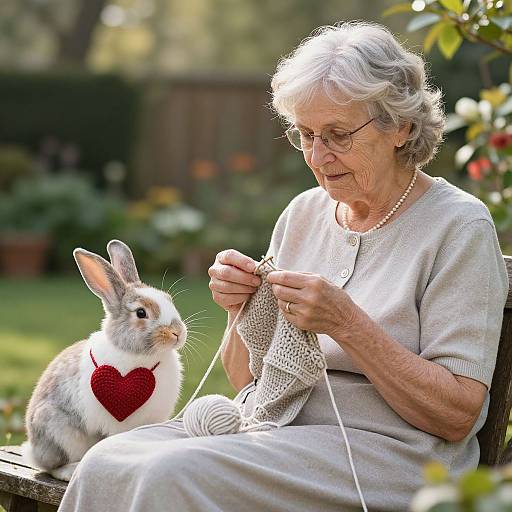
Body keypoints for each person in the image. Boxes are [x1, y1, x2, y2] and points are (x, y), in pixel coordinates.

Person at [58, 21, 509, 511]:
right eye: (306, 134)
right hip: (270, 429)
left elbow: (455, 415)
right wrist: (240, 308)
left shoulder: (458, 226)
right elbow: (246, 381)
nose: (317, 155)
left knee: (173, 474)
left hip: (391, 457)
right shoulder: (304, 213)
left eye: (337, 134)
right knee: (107, 461)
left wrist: (347, 323)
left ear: (399, 126)